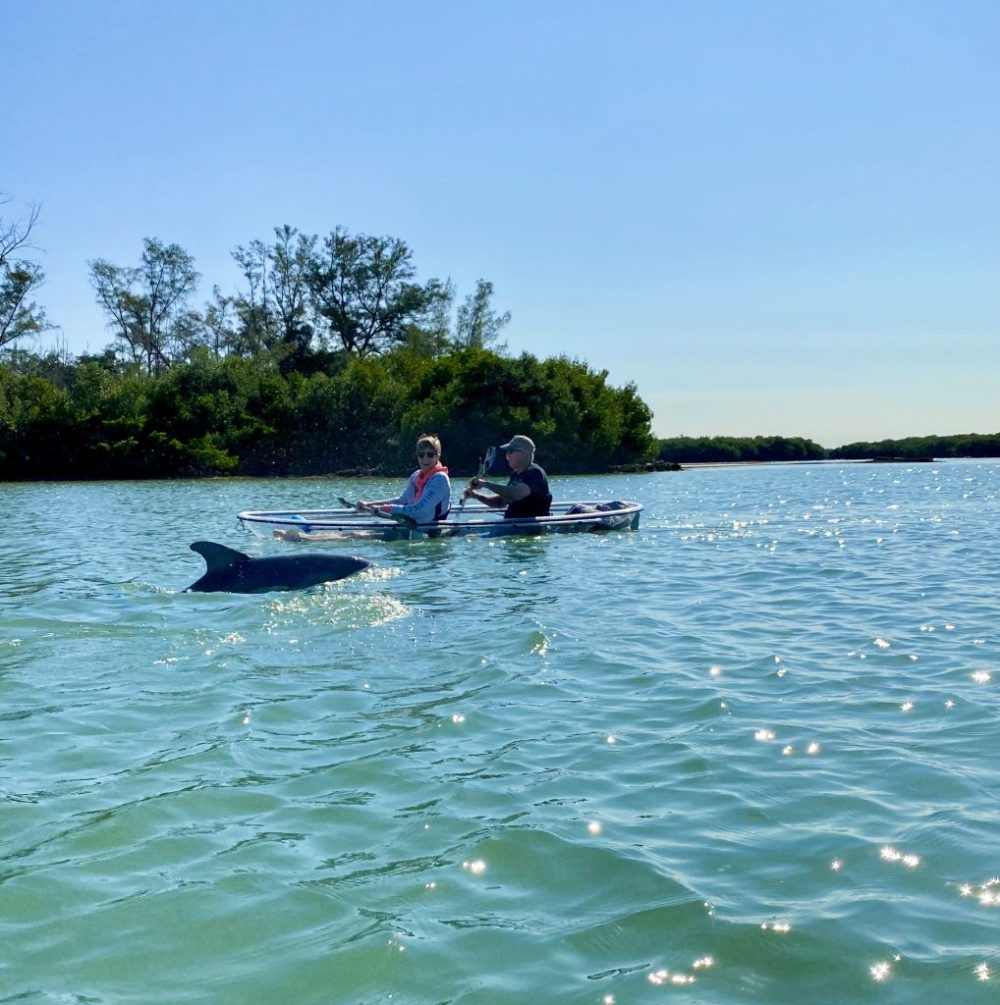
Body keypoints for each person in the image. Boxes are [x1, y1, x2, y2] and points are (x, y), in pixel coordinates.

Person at [358, 433, 452, 524]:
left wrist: (383, 508)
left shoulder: (440, 479)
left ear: (437, 456)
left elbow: (420, 510)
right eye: (421, 454)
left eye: (430, 454)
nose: (425, 459)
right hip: (410, 525)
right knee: (354, 535)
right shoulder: (415, 476)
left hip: (431, 531)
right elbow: (402, 501)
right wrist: (369, 504)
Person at [464, 434, 551, 518]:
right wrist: (476, 496)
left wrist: (485, 484)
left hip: (528, 528)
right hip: (512, 525)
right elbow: (501, 502)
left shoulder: (534, 473)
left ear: (523, 453)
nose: (507, 455)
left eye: (511, 451)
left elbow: (515, 494)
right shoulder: (515, 474)